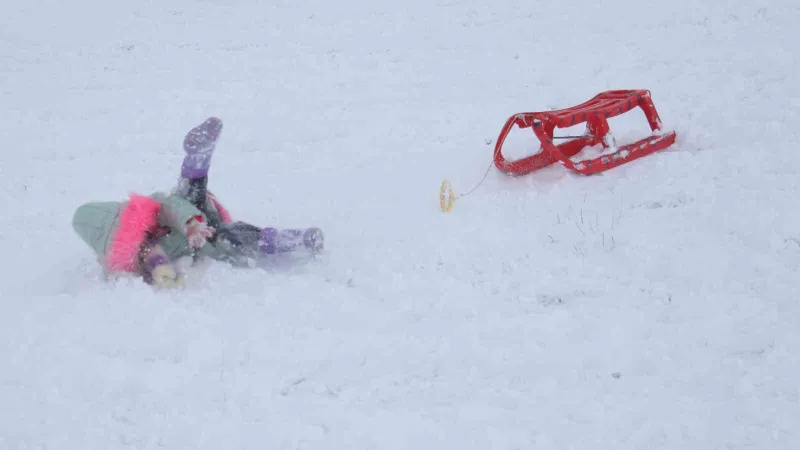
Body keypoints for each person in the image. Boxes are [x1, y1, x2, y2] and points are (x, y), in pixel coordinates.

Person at [71, 117, 324, 289]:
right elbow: (137, 276)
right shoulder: (139, 261)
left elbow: (172, 205)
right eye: (131, 245)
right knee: (232, 238)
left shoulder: (154, 210)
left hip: (196, 218)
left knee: (188, 193)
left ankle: (198, 158)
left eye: (130, 233)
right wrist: (162, 275)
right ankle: (289, 239)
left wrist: (191, 223)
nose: (142, 245)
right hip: (208, 239)